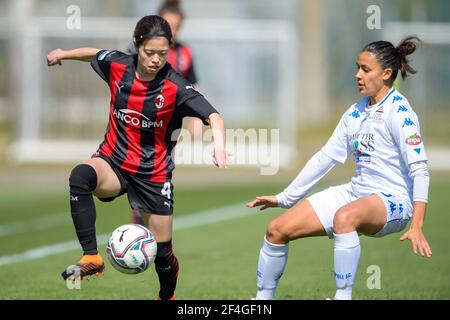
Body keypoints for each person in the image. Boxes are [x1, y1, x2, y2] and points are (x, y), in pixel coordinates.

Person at [46, 15, 227, 300]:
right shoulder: (118, 65)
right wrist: (63, 54)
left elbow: (214, 115)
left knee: (163, 255)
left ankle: (167, 297)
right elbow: (93, 53)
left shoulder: (176, 87)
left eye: (163, 54)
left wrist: (218, 145)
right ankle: (92, 256)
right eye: (149, 52)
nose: (156, 59)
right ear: (137, 46)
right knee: (79, 177)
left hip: (153, 176)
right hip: (114, 162)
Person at [247, 36, 432, 300]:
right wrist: (285, 198)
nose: (358, 75)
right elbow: (325, 158)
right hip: (357, 193)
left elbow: (420, 171)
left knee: (344, 217)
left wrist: (417, 225)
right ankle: (262, 300)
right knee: (277, 229)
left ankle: (342, 297)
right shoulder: (355, 112)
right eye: (358, 67)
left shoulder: (401, 113)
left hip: (395, 201)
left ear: (387, 73)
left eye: (366, 70)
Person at [127, 0, 203, 226]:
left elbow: (192, 86)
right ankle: (140, 218)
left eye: (177, 26)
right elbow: (121, 77)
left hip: (169, 124)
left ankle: (151, 222)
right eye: (170, 25)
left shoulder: (185, 53)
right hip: (139, 119)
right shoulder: (140, 49)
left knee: (162, 168)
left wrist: (197, 119)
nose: (174, 31)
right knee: (136, 166)